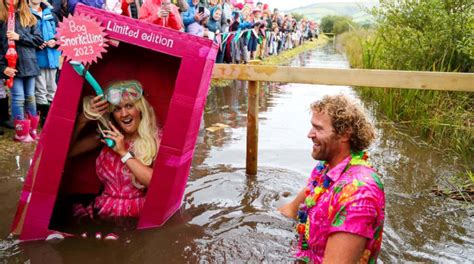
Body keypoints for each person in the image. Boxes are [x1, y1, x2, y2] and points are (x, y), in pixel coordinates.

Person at [278, 95, 385, 263]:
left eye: (318, 128)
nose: (309, 134)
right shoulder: (325, 168)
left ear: (344, 134)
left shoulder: (358, 195)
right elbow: (290, 211)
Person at [69, 80, 161, 221]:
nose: (123, 114)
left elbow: (157, 183)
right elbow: (67, 152)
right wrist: (83, 119)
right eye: (117, 109)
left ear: (140, 109)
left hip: (136, 216)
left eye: (129, 106)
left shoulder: (157, 139)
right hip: (103, 212)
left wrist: (123, 153)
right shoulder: (106, 137)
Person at [0, 0, 44, 143]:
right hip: (12, 66)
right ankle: (21, 132)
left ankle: (32, 131)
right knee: (18, 98)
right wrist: (3, 67)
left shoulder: (29, 16)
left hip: (29, 64)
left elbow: (38, 39)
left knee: (31, 97)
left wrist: (20, 37)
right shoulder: (1, 18)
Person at [30, 0, 61, 127]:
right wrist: (36, 43)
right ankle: (44, 119)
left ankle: (51, 117)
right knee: (40, 90)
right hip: (38, 59)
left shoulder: (51, 14)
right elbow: (25, 35)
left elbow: (61, 33)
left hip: (53, 58)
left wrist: (55, 40)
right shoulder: (26, 14)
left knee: (53, 89)